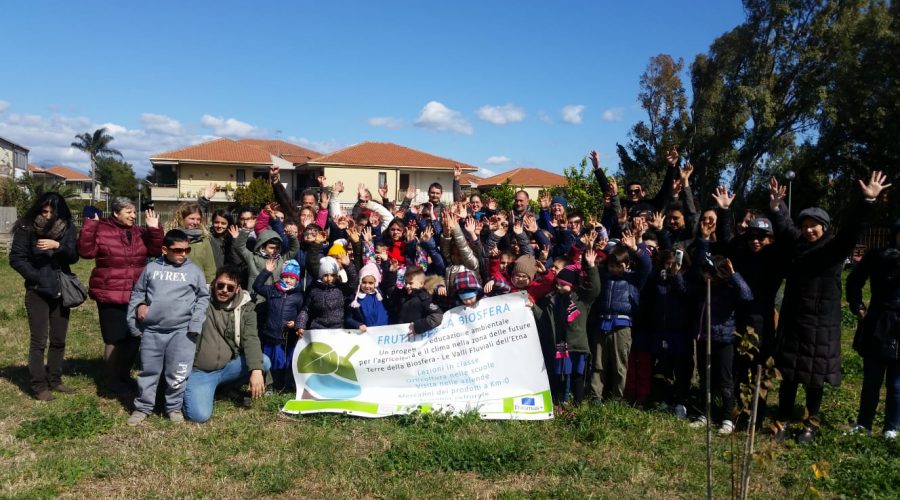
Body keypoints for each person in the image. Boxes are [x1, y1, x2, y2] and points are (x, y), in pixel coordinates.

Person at [767, 171, 890, 443]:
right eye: (806, 225)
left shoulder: (833, 250)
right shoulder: (797, 244)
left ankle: (810, 424)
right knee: (788, 376)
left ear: (824, 228)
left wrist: (867, 201)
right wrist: (777, 206)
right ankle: (783, 419)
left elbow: (852, 231)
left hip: (820, 325)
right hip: (793, 321)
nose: (809, 230)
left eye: (815, 226)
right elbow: (785, 226)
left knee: (814, 378)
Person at [78, 196, 163, 395]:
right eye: (129, 212)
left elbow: (155, 250)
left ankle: (124, 375)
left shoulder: (138, 232)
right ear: (116, 213)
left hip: (136, 293)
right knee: (114, 338)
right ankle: (110, 381)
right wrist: (90, 225)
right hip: (110, 293)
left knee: (134, 337)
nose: (134, 216)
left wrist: (154, 229)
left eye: (134, 212)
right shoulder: (102, 230)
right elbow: (86, 251)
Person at [126, 229, 210, 425]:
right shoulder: (151, 269)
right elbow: (138, 293)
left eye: (187, 250)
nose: (183, 254)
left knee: (178, 372)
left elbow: (203, 298)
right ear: (165, 249)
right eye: (178, 250)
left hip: (182, 333)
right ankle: (143, 407)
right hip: (153, 331)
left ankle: (173, 407)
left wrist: (195, 323)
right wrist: (137, 314)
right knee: (148, 371)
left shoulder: (194, 271)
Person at [9, 193, 80, 401]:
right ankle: (39, 385)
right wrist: (37, 277)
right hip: (37, 290)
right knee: (39, 340)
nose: (48, 216)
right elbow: (17, 258)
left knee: (59, 339)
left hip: (61, 289)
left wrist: (57, 246)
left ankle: (55, 379)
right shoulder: (26, 227)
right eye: (44, 211)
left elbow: (74, 256)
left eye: (52, 212)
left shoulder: (66, 227)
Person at [183, 266, 271, 423]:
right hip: (199, 371)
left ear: (237, 289)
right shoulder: (199, 300)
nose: (224, 290)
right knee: (198, 416)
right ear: (213, 284)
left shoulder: (246, 308)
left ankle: (226, 387)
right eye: (220, 285)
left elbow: (251, 338)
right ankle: (202, 389)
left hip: (227, 367)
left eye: (230, 287)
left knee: (263, 361)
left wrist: (256, 370)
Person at [845, 218, 900, 440]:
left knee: (897, 383)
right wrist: (858, 307)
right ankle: (864, 424)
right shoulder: (878, 256)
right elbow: (854, 281)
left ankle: (891, 428)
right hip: (878, 323)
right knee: (872, 380)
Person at [167, 202, 217, 282]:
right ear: (182, 219)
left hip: (197, 285)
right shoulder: (171, 237)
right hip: (175, 284)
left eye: (198, 219)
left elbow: (210, 269)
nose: (195, 222)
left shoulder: (204, 240)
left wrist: (209, 286)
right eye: (192, 218)